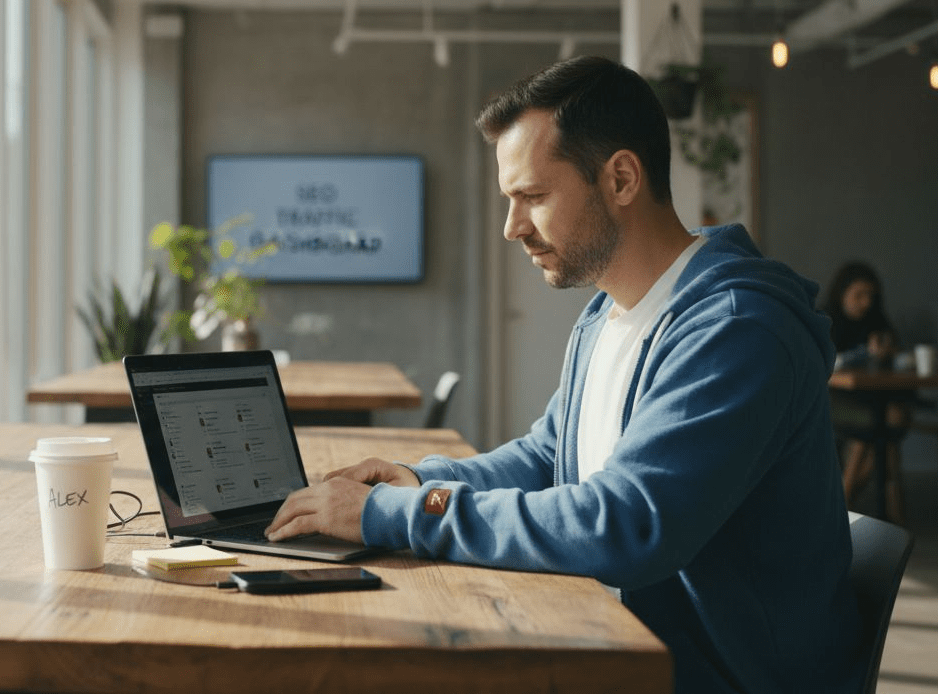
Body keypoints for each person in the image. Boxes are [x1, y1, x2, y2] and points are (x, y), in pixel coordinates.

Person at [266, 56, 863, 692]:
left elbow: (629, 523)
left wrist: (397, 513)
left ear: (623, 179)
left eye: (533, 197)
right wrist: (418, 479)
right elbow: (550, 454)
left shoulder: (739, 330)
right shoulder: (608, 312)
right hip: (616, 641)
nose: (511, 226)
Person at [824, 260, 912, 522]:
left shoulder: (876, 322)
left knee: (885, 425)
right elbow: (831, 364)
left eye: (870, 296)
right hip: (836, 400)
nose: (865, 302)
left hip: (873, 398)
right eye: (858, 295)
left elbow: (896, 361)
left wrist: (888, 352)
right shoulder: (827, 320)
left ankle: (839, 503)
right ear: (842, 294)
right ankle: (882, 514)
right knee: (883, 428)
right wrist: (866, 353)